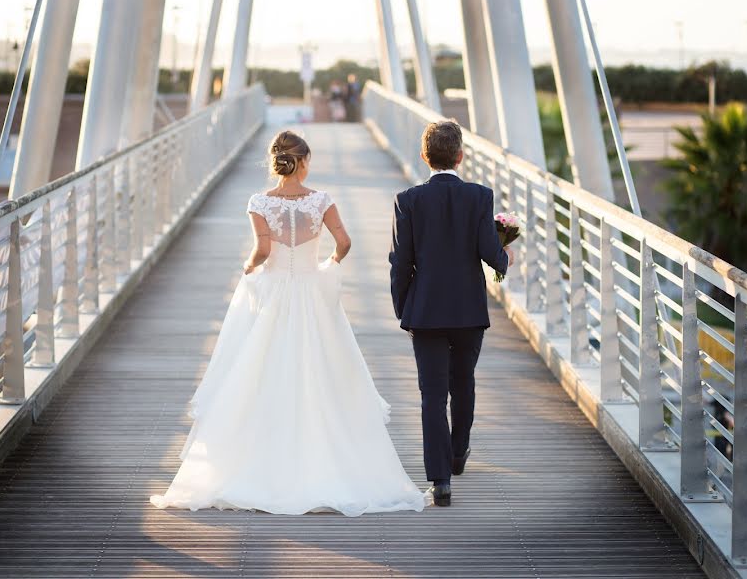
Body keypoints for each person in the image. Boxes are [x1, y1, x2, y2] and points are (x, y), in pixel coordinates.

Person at [151, 130, 425, 516]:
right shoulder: (321, 200)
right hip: (312, 293)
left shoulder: (260, 202)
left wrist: (247, 270)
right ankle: (323, 459)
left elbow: (263, 251)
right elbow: (344, 242)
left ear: (275, 161)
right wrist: (328, 266)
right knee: (322, 372)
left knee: (263, 373)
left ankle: (261, 464)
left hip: (277, 295)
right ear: (305, 160)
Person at [389, 120, 513, 507]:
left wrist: (404, 308)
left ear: (424, 157)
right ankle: (459, 452)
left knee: (431, 394)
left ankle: (440, 481)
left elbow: (399, 262)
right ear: (460, 156)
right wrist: (505, 256)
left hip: (424, 310)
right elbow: (489, 252)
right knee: (463, 383)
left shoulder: (407, 200)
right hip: (467, 309)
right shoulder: (480, 196)